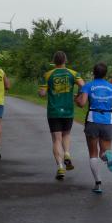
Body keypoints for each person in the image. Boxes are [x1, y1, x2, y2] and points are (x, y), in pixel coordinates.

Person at [75, 62, 112, 193]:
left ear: (94, 73)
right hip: (108, 120)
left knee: (93, 153)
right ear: (105, 74)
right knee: (104, 152)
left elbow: (82, 103)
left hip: (93, 119)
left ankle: (98, 183)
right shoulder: (111, 87)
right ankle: (107, 155)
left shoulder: (88, 85)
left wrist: (76, 99)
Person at [39, 51, 84, 180]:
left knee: (56, 139)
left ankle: (60, 167)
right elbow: (83, 85)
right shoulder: (73, 73)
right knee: (66, 134)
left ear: (54, 61)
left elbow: (42, 94)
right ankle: (67, 153)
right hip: (68, 110)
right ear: (65, 60)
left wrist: (41, 92)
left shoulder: (48, 75)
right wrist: (78, 95)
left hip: (54, 111)